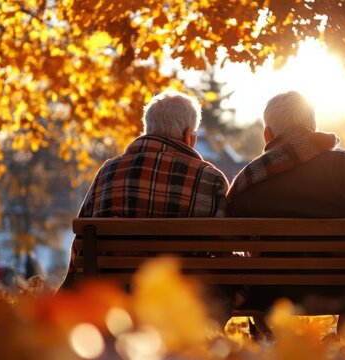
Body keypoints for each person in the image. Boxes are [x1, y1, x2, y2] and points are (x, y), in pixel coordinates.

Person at [226, 91, 345, 335]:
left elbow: (232, 239)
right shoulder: (343, 166)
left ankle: (267, 342)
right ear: (313, 128)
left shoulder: (248, 182)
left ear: (267, 135)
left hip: (268, 292)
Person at [62, 90, 235, 323]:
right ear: (188, 136)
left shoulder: (108, 171)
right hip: (180, 299)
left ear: (147, 130)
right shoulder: (209, 178)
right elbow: (223, 249)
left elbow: (82, 241)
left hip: (115, 297)